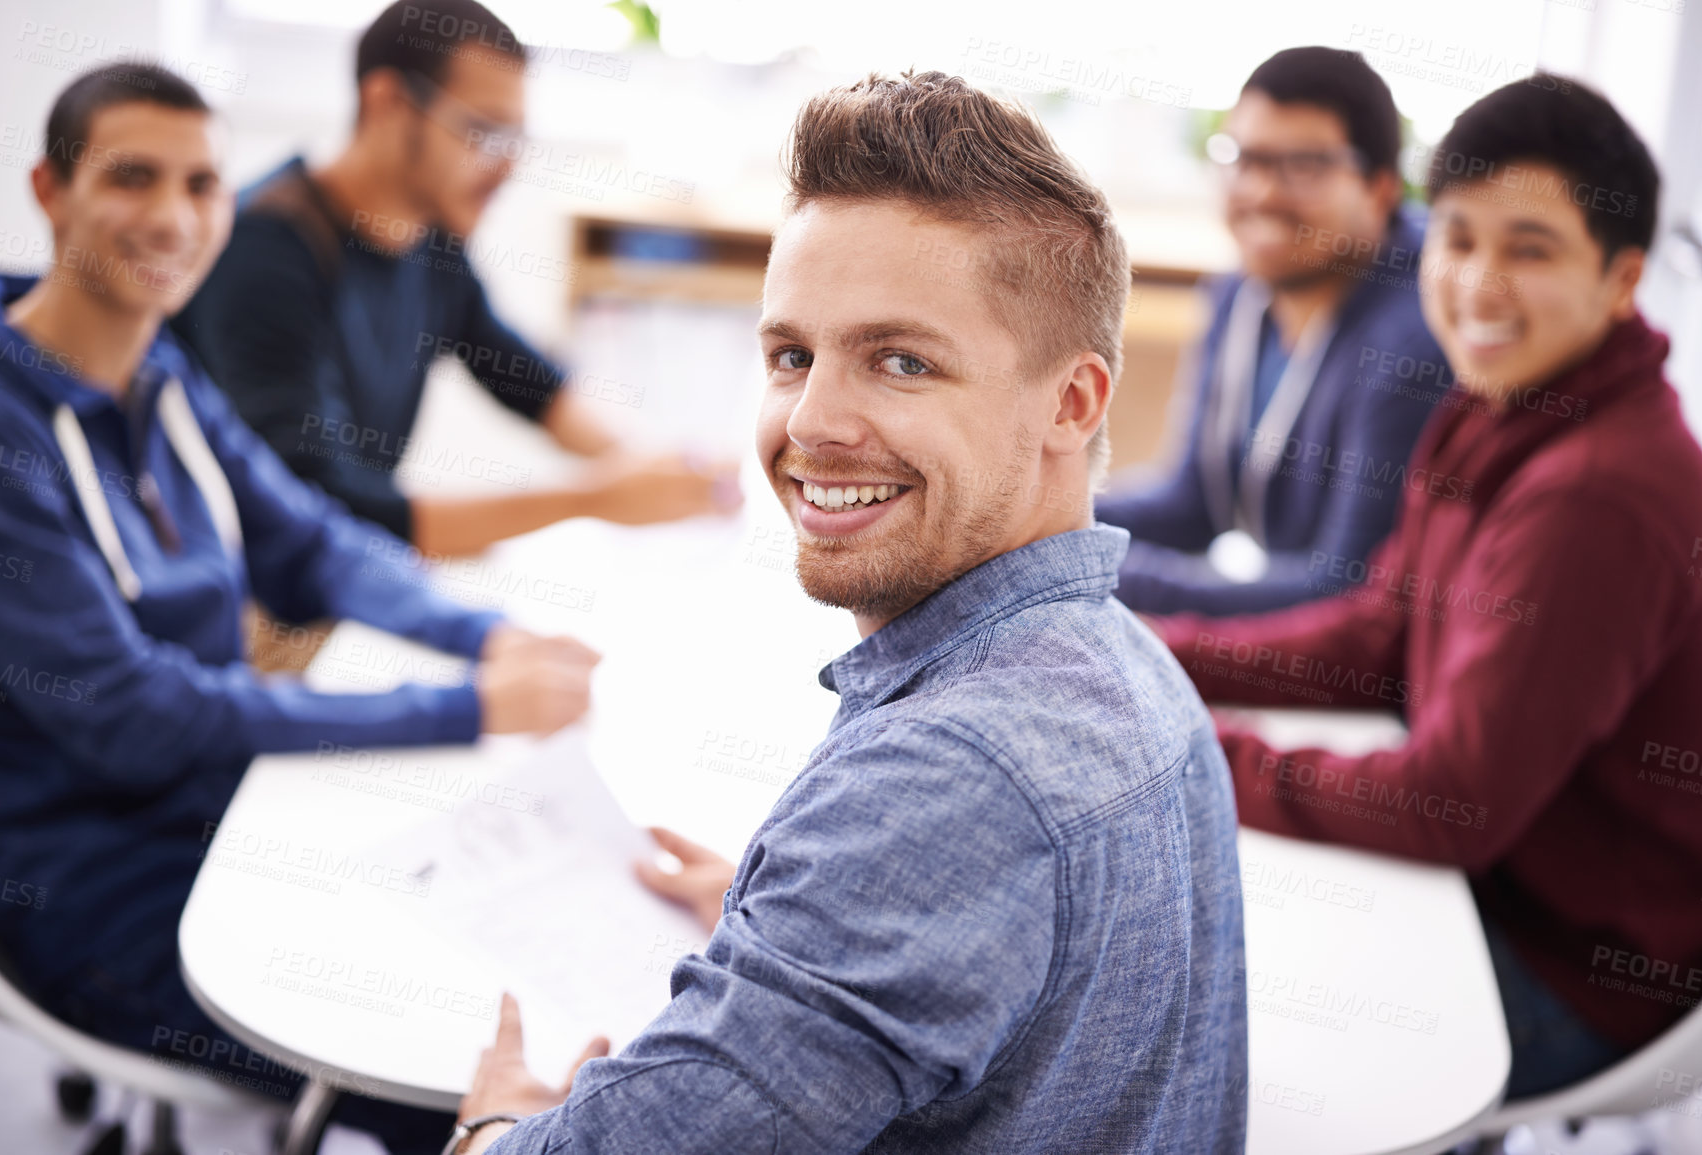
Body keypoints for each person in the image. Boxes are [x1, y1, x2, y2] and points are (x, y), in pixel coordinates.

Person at [439, 71, 1248, 1154]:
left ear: (1072, 402)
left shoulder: (947, 783)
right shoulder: (1131, 665)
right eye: (790, 356)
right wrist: (807, 948)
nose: (811, 420)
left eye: (901, 362)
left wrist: (494, 1129)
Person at [0, 63, 596, 1153]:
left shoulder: (160, 371)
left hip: (223, 811)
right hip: (87, 883)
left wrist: (484, 636)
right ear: (50, 188)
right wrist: (465, 705)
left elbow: (313, 542)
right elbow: (139, 711)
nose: (176, 218)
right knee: (446, 1071)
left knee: (511, 959)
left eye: (203, 184)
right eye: (135, 177)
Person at [1155, 75, 1702, 1099]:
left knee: (1194, 1011)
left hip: (1574, 965)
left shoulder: (1601, 492)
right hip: (1487, 883)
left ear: (1623, 277)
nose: (1477, 284)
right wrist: (1159, 657)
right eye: (1459, 241)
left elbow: (1450, 805)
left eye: (1531, 248)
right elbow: (1382, 630)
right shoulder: (1494, 404)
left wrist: (1195, 750)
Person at [171, 0, 741, 559]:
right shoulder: (265, 251)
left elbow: (528, 383)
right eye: (484, 131)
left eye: (516, 139)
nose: (506, 164)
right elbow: (320, 504)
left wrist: (660, 470)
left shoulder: (430, 243)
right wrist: (592, 498)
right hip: (236, 597)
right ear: (388, 104)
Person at [1096, 47, 1450, 615]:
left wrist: (1089, 566)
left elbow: (1343, 588)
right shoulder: (1239, 293)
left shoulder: (1412, 342)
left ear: (1381, 188)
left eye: (1304, 166)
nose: (1261, 192)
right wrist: (1046, 517)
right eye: (1244, 158)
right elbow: (1195, 503)